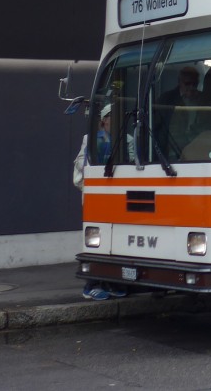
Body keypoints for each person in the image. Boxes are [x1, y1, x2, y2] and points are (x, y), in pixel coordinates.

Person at [74, 104, 127, 301]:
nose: (115, 121)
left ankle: (112, 282)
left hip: (118, 195)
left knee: (116, 241)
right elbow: (81, 163)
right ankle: (92, 284)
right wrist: (97, 155)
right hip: (98, 195)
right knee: (97, 241)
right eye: (111, 117)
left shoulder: (127, 139)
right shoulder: (90, 139)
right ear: (104, 120)